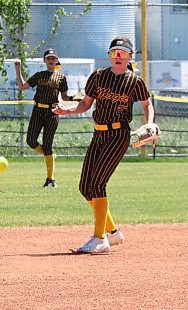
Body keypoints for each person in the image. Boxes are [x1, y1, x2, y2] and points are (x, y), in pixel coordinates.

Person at [52, 36, 156, 254]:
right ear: (109, 56)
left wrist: (149, 123)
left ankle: (100, 239)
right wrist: (67, 110)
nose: (118, 57)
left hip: (119, 134)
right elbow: (86, 104)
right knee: (85, 187)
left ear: (130, 56)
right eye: (114, 53)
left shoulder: (134, 81)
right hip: (98, 134)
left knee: (97, 185)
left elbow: (147, 104)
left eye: (122, 53)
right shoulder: (98, 77)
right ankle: (113, 232)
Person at [14, 49, 73, 188]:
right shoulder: (40, 75)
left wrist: (74, 98)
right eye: (48, 57)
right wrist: (18, 69)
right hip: (38, 111)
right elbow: (22, 87)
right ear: (44, 60)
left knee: (47, 145)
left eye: (53, 57)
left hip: (53, 112)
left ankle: (50, 179)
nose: (51, 59)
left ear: (56, 60)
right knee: (30, 141)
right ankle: (50, 156)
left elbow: (64, 97)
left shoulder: (61, 77)